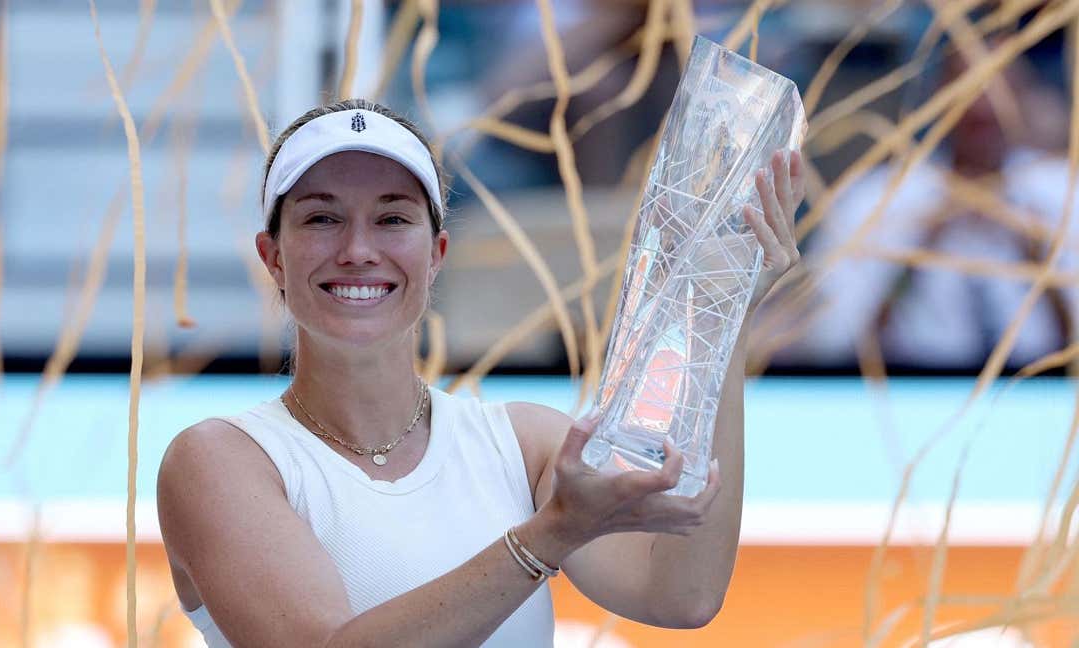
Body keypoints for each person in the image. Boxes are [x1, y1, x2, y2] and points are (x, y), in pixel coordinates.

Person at [156, 98, 805, 647]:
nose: (358, 250)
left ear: (436, 252)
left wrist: (721, 314)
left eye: (392, 218)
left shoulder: (524, 445)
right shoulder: (218, 460)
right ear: (273, 256)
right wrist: (548, 537)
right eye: (323, 218)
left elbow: (680, 595)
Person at [787, 49, 1076, 371]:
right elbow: (835, 344)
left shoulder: (1062, 197)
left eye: (1000, 93)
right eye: (968, 92)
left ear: (1023, 101)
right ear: (940, 98)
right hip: (911, 392)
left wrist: (1033, 250)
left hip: (1045, 395)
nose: (982, 105)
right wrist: (919, 247)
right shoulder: (880, 199)